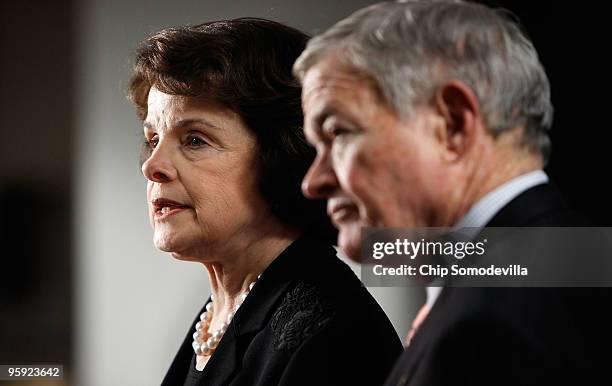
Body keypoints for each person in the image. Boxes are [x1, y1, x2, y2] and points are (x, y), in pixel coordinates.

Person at [293, 1, 611, 385]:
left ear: (452, 124)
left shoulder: (503, 318)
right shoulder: (548, 270)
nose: (314, 181)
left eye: (338, 133)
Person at [128, 17, 402, 386]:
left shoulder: (332, 338)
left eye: (195, 139)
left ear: (283, 157)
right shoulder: (225, 311)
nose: (152, 166)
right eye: (153, 138)